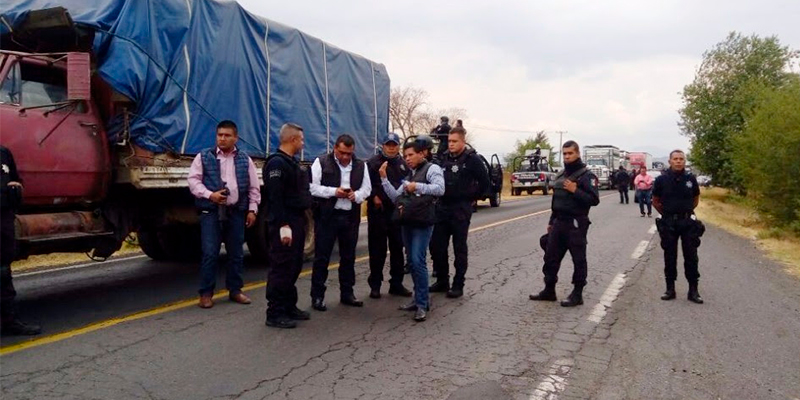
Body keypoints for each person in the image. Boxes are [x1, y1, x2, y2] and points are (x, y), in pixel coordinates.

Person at [188, 120, 261, 309]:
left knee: (236, 253)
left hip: (236, 211)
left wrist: (252, 209)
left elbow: (254, 187)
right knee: (210, 253)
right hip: (211, 212)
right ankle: (206, 293)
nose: (222, 138)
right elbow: (193, 181)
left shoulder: (245, 159)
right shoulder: (204, 157)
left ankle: (235, 290)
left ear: (235, 138)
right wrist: (210, 195)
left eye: (227, 135)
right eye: (220, 135)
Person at [379, 140, 445, 321]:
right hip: (408, 221)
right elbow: (395, 197)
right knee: (412, 262)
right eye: (405, 155)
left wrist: (418, 186)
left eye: (410, 155)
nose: (407, 159)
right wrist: (384, 179)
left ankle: (422, 304)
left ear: (422, 153)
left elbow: (440, 189)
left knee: (418, 261)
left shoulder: (432, 169)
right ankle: (417, 299)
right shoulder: (410, 173)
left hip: (423, 223)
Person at [529, 140, 599, 307]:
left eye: (570, 153)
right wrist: (551, 221)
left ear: (578, 154)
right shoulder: (560, 175)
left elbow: (594, 200)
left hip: (576, 223)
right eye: (565, 154)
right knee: (550, 257)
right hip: (559, 222)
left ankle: (577, 293)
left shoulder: (586, 176)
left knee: (578, 260)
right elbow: (556, 201)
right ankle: (549, 290)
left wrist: (576, 190)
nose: (567, 156)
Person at [309, 134, 372, 311]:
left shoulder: (361, 165)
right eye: (342, 153)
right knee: (322, 257)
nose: (345, 157)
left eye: (349, 154)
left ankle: (347, 293)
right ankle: (317, 296)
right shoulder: (321, 162)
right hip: (327, 216)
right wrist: (334, 191)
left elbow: (367, 188)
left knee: (348, 257)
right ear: (335, 148)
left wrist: (356, 195)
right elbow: (312, 187)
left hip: (350, 216)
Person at [429, 127, 490, 298]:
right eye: (449, 141)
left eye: (454, 141)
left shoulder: (472, 160)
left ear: (463, 141)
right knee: (437, 246)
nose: (451, 144)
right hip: (442, 207)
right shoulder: (442, 159)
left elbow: (485, 184)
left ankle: (458, 284)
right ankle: (442, 280)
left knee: (459, 248)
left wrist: (471, 197)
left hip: (460, 209)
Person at [263, 123, 313, 329]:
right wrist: (283, 225)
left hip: (297, 219)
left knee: (294, 265)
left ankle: (289, 306)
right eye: (301, 139)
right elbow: (275, 198)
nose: (302, 143)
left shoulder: (292, 163)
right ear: (293, 140)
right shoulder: (276, 164)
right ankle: (274, 313)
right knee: (281, 267)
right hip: (284, 221)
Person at [653, 150, 704, 304]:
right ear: (670, 161)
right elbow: (655, 200)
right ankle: (670, 289)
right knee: (669, 256)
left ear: (684, 161)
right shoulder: (661, 179)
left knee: (691, 257)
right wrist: (669, 213)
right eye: (675, 159)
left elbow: (695, 199)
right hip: (669, 222)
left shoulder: (690, 179)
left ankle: (693, 290)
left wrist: (685, 211)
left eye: (681, 159)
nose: (678, 161)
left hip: (687, 222)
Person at [0, 145, 41, 336]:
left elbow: (16, 178)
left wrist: (16, 186)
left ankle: (9, 321)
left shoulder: (4, 152)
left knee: (3, 270)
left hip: (3, 217)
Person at [366, 133, 412, 299]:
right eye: (388, 144)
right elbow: (364, 184)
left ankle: (396, 284)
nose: (391, 148)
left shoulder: (403, 164)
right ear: (382, 145)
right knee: (377, 250)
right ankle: (375, 285)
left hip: (396, 213)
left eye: (394, 144)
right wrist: (373, 196)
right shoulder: (372, 163)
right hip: (378, 213)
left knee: (397, 249)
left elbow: (407, 185)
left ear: (398, 146)